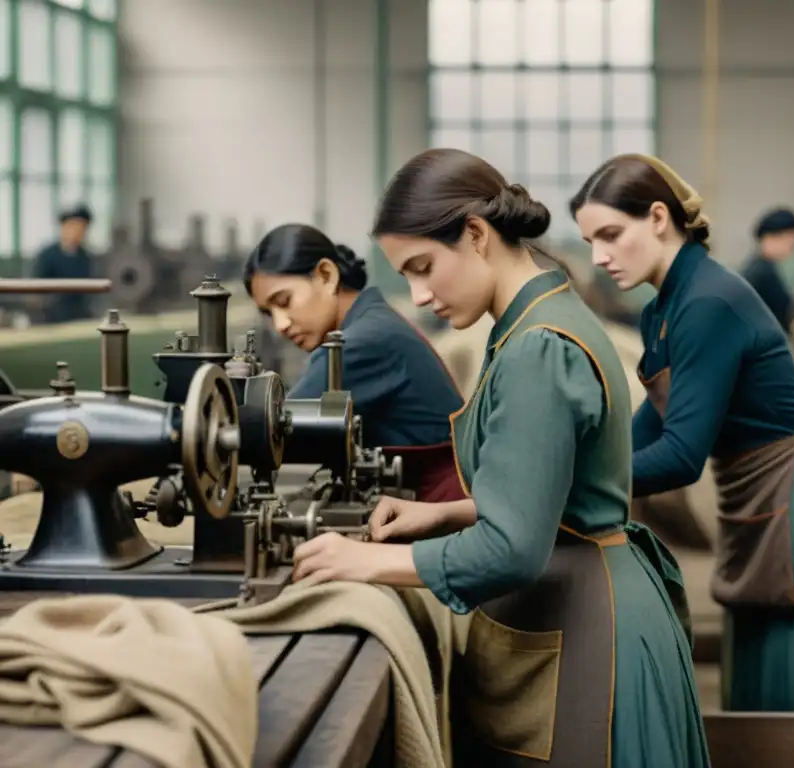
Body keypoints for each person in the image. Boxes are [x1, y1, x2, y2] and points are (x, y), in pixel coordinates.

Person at [290, 149, 711, 768]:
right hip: (591, 599)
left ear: (478, 236)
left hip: (590, 635)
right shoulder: (536, 319)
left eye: (424, 266)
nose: (420, 294)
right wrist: (448, 514)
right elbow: (557, 492)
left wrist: (365, 561)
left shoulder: (538, 348)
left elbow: (512, 549)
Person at [570, 153, 794, 714]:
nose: (599, 257)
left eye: (611, 235)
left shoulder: (708, 302)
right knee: (766, 676)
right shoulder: (664, 309)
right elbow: (649, 425)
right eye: (590, 241)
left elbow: (682, 457)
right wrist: (577, 456)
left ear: (659, 218)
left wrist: (578, 479)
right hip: (761, 495)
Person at [244, 224, 465, 503]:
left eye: (284, 301)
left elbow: (271, 431)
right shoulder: (373, 320)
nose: (280, 324)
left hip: (442, 507)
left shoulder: (361, 342)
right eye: (268, 312)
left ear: (326, 275)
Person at [739, 207, 794, 333]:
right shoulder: (762, 273)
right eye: (789, 240)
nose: (793, 246)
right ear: (768, 238)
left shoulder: (762, 267)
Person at [30, 204, 95, 324]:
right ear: (63, 227)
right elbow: (35, 295)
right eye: (72, 226)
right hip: (50, 322)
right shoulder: (46, 256)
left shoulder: (87, 259)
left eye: (81, 227)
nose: (76, 232)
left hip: (80, 321)